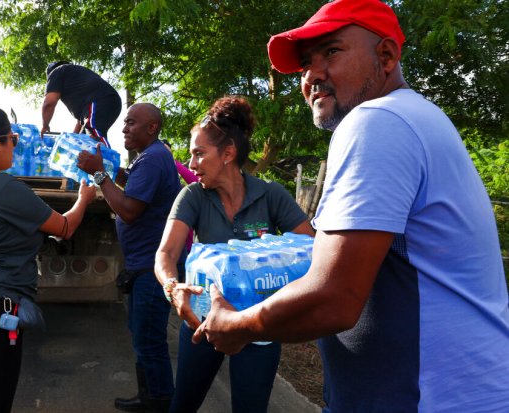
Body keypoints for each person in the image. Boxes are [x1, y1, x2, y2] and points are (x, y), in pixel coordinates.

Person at [196, 1, 509, 412]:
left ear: (386, 56)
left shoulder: (377, 120)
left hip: (429, 398)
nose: (312, 75)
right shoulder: (416, 116)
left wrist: (238, 326)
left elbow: (335, 297)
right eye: (306, 63)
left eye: (332, 52)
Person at [154, 96, 315, 413]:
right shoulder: (193, 196)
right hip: (203, 319)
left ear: (228, 153)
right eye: (191, 155)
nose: (191, 165)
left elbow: (308, 248)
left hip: (258, 325)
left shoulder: (270, 194)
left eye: (199, 154)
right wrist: (173, 288)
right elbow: (166, 253)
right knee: (183, 404)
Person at [0, 104, 97, 413]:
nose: (15, 145)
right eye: (12, 138)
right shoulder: (4, 188)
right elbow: (64, 228)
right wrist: (83, 199)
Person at [77, 103, 183, 413]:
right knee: (143, 337)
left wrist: (98, 174)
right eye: (124, 123)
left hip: (152, 267)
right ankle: (149, 398)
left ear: (152, 128)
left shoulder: (151, 159)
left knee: (149, 341)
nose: (124, 129)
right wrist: (112, 171)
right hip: (144, 265)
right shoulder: (151, 158)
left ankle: (160, 403)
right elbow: (133, 188)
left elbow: (128, 211)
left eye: (131, 123)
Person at [41, 61, 122, 148]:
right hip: (110, 101)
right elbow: (80, 122)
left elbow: (48, 104)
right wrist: (71, 141)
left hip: (100, 100)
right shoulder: (77, 80)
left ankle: (105, 159)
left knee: (92, 137)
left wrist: (45, 126)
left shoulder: (56, 72)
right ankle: (98, 158)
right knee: (83, 142)